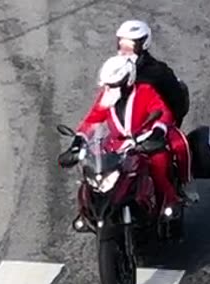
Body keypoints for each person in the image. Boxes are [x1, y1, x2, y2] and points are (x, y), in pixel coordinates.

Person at [69, 54, 191, 217]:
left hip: (145, 142)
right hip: (115, 145)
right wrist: (79, 141)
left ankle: (169, 203)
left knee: (159, 166)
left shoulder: (145, 91)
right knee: (93, 172)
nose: (109, 89)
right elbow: (93, 119)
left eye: (115, 85)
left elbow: (162, 111)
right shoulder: (107, 96)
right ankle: (89, 210)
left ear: (128, 81)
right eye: (108, 85)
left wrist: (157, 131)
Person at [114, 20, 188, 126]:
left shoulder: (158, 73)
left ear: (144, 44)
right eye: (121, 44)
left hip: (152, 129)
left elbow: (175, 107)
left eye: (130, 45)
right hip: (122, 127)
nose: (124, 50)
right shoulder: (113, 71)